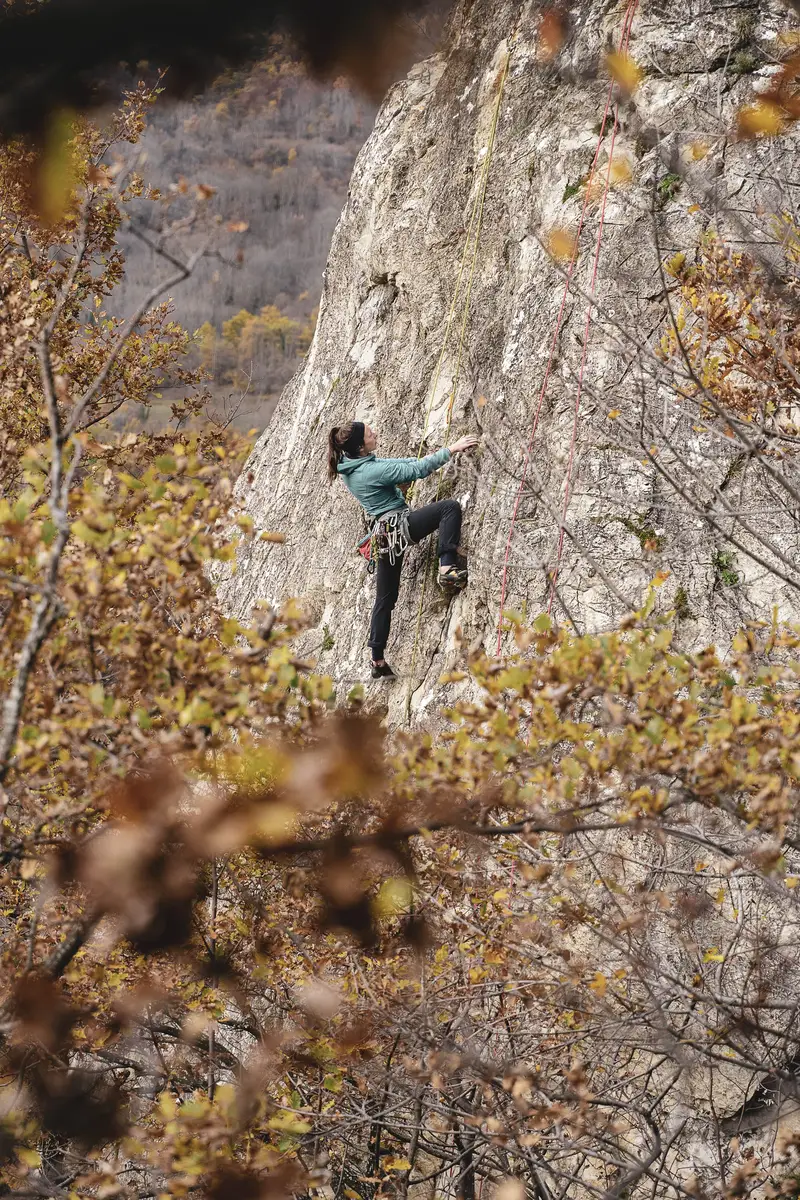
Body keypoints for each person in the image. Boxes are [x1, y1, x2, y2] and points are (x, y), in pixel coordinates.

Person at [327, 420, 479, 679]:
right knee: (449, 508)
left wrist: (409, 466)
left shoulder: (351, 468)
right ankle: (446, 567)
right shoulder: (369, 471)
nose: (374, 432)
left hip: (383, 537)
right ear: (361, 447)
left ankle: (377, 659)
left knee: (385, 598)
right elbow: (417, 469)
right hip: (398, 527)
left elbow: (399, 464)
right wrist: (451, 449)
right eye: (369, 433)